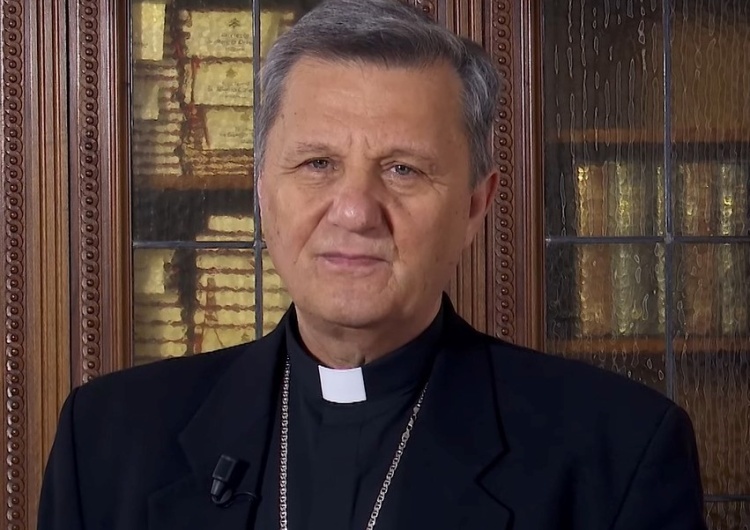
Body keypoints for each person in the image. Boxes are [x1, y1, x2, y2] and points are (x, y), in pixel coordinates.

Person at [38, 1, 707, 529]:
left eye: (403, 169)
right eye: (317, 163)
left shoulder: (617, 453)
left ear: (475, 207)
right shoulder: (106, 440)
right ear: (263, 193)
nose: (356, 211)